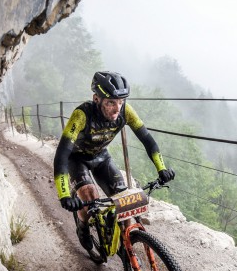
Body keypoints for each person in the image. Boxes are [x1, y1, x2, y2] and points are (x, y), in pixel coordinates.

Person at [53, 71, 175, 252]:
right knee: (90, 196)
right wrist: (64, 195)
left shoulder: (126, 111)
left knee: (124, 201)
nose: (117, 108)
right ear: (96, 99)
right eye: (111, 102)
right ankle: (83, 227)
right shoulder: (81, 115)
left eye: (120, 102)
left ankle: (128, 250)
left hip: (102, 157)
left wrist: (162, 168)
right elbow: (62, 155)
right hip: (77, 159)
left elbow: (148, 140)